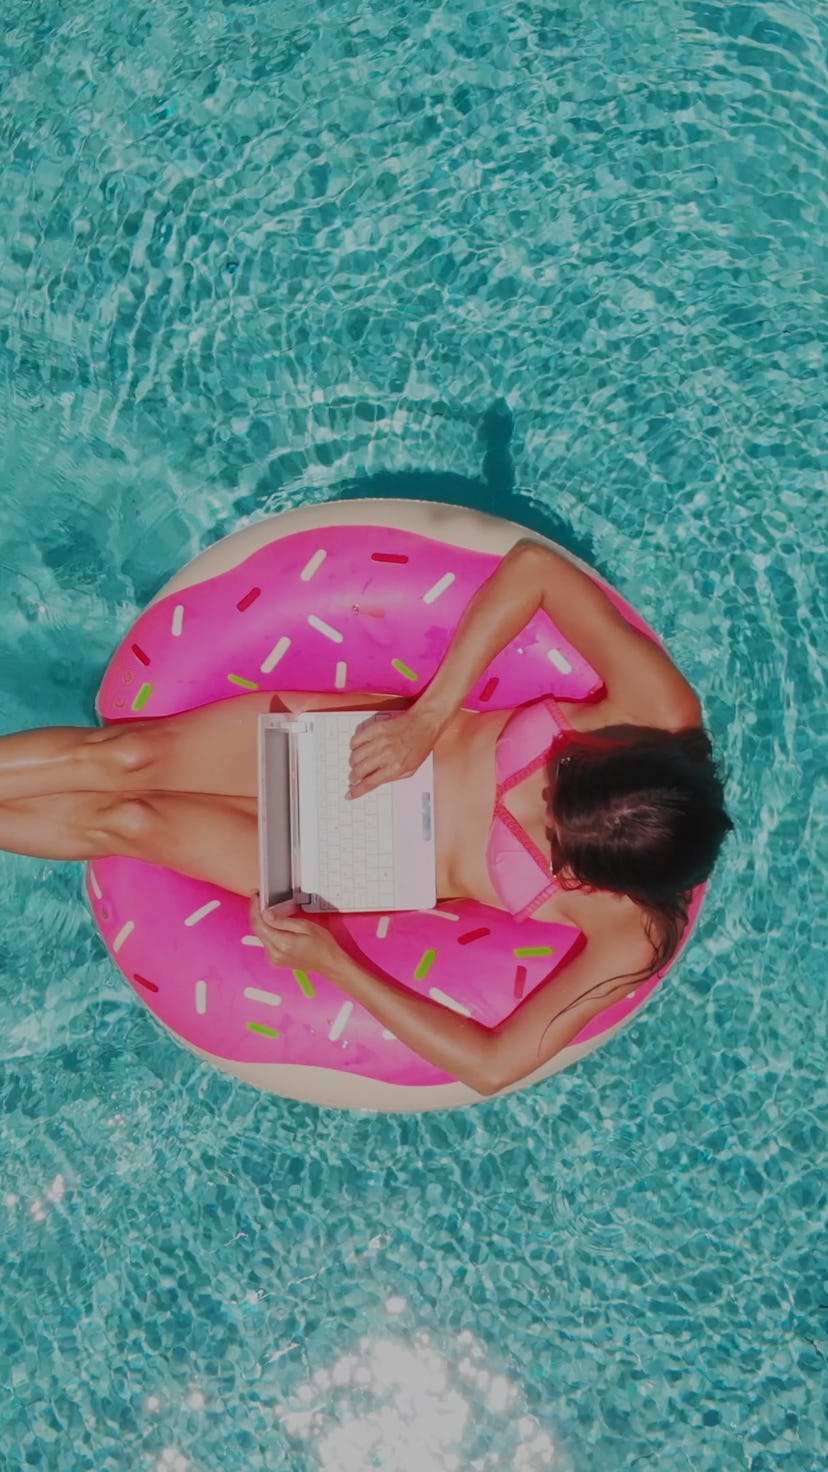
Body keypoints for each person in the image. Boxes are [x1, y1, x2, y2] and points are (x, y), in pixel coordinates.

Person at [0, 538, 731, 1095]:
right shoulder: (659, 710)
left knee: (126, 822)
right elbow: (536, 569)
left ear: (598, 880)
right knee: (123, 761)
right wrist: (428, 716)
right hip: (369, 746)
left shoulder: (632, 934)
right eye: (561, 774)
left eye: (547, 838)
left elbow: (493, 1066)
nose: (532, 799)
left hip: (363, 862)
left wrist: (335, 963)